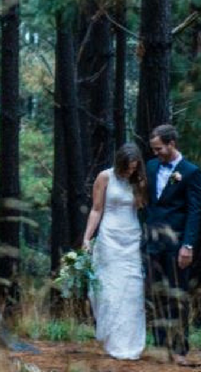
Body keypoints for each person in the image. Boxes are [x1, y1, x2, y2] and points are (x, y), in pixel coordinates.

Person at [81, 143, 149, 360]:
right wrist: (87, 238)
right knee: (110, 287)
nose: (130, 171)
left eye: (134, 167)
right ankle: (113, 340)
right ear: (119, 163)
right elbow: (96, 209)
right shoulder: (105, 177)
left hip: (131, 236)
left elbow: (141, 207)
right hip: (110, 236)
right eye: (127, 167)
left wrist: (139, 185)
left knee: (132, 289)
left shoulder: (137, 179)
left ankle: (131, 343)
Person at [143, 124, 201, 362]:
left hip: (176, 243)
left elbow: (194, 211)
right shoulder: (150, 166)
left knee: (177, 295)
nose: (156, 153)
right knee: (155, 294)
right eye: (153, 149)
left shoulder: (191, 172)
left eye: (159, 148)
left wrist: (188, 245)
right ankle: (160, 345)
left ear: (171, 144)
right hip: (152, 242)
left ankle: (179, 349)